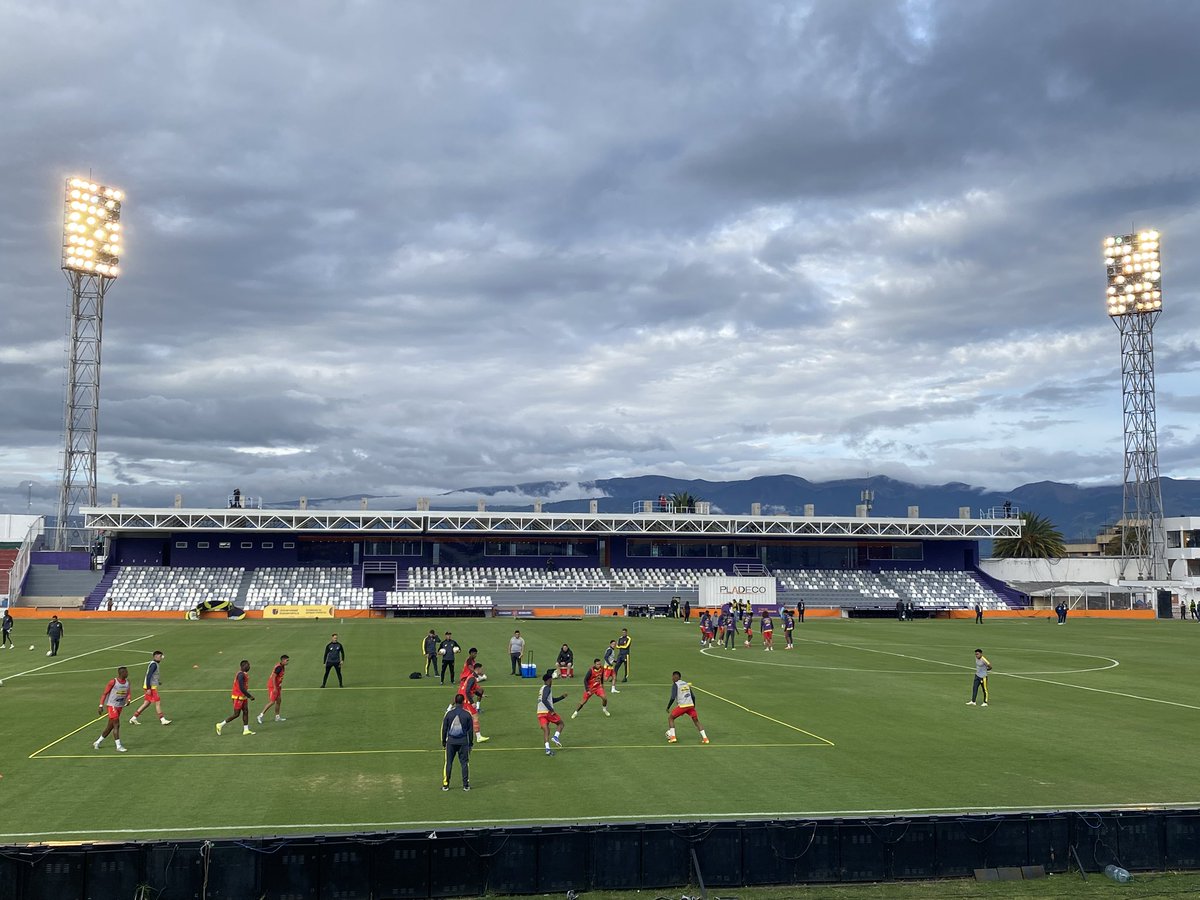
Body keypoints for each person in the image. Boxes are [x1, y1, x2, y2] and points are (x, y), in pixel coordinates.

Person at [93, 665, 132, 752]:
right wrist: (101, 705)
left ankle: (97, 742)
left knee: (110, 727)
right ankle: (118, 746)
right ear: (121, 673)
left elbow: (128, 692)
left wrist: (129, 699)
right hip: (112, 705)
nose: (127, 673)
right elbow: (105, 694)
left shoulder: (127, 682)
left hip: (120, 706)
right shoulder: (113, 682)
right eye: (126, 672)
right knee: (116, 724)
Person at [441, 693, 474, 791]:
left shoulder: (449, 714)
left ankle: (446, 785)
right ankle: (465, 785)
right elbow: (470, 731)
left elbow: (444, 729)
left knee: (448, 763)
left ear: (455, 702)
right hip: (463, 742)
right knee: (464, 763)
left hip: (451, 742)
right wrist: (470, 744)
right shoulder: (467, 714)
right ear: (463, 702)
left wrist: (443, 742)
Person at [129, 650, 171, 726]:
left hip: (150, 686)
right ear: (156, 656)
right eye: (160, 656)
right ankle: (162, 719)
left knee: (147, 703)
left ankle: (134, 718)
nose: (161, 658)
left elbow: (153, 676)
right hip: (151, 687)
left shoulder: (154, 664)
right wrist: (148, 688)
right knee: (157, 702)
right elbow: (149, 676)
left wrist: (158, 682)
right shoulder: (154, 665)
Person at [665, 670, 708, 744]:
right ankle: (705, 739)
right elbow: (693, 696)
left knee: (671, 718)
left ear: (675, 677)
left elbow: (672, 697)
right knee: (696, 721)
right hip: (690, 705)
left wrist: (668, 707)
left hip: (682, 706)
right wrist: (693, 706)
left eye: (673, 677)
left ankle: (673, 737)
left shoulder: (675, 685)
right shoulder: (686, 684)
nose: (672, 678)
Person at [217, 659, 256, 735]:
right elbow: (241, 687)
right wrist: (250, 696)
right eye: (248, 665)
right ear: (243, 666)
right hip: (238, 696)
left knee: (246, 711)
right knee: (236, 714)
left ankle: (246, 730)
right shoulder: (240, 675)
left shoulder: (244, 674)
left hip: (243, 696)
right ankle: (220, 725)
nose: (249, 667)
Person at [537, 672, 567, 755]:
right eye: (551, 680)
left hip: (540, 713)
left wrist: (562, 697)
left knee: (546, 730)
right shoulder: (547, 688)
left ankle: (547, 749)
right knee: (561, 724)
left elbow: (551, 700)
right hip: (547, 712)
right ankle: (555, 737)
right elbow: (544, 700)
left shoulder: (542, 688)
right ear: (549, 680)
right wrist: (551, 710)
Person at [460, 662, 490, 743]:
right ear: (478, 669)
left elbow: (472, 690)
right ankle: (478, 737)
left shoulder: (472, 677)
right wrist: (472, 702)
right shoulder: (472, 678)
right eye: (481, 669)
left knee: (466, 718)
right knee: (475, 717)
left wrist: (480, 695)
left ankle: (461, 734)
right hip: (467, 701)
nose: (482, 671)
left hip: (466, 700)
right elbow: (467, 691)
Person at [257, 654, 290, 724]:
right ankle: (260, 716)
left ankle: (277, 717)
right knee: (272, 701)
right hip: (272, 686)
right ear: (283, 660)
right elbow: (274, 677)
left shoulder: (282, 666)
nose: (288, 662)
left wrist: (279, 684)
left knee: (279, 700)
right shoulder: (279, 668)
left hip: (277, 686)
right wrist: (275, 687)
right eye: (287, 660)